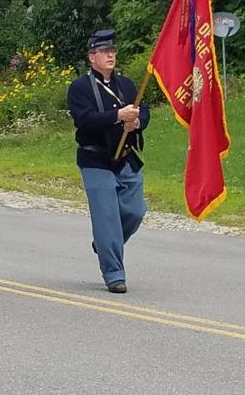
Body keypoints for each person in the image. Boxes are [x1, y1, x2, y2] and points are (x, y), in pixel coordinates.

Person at [66, 29, 150, 294]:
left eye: (112, 51)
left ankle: (104, 244)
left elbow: (143, 111)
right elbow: (85, 120)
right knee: (107, 218)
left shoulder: (126, 84)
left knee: (135, 211)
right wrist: (117, 116)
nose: (111, 55)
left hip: (125, 157)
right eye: (104, 52)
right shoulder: (80, 87)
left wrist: (136, 121)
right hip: (95, 159)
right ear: (92, 58)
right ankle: (114, 273)